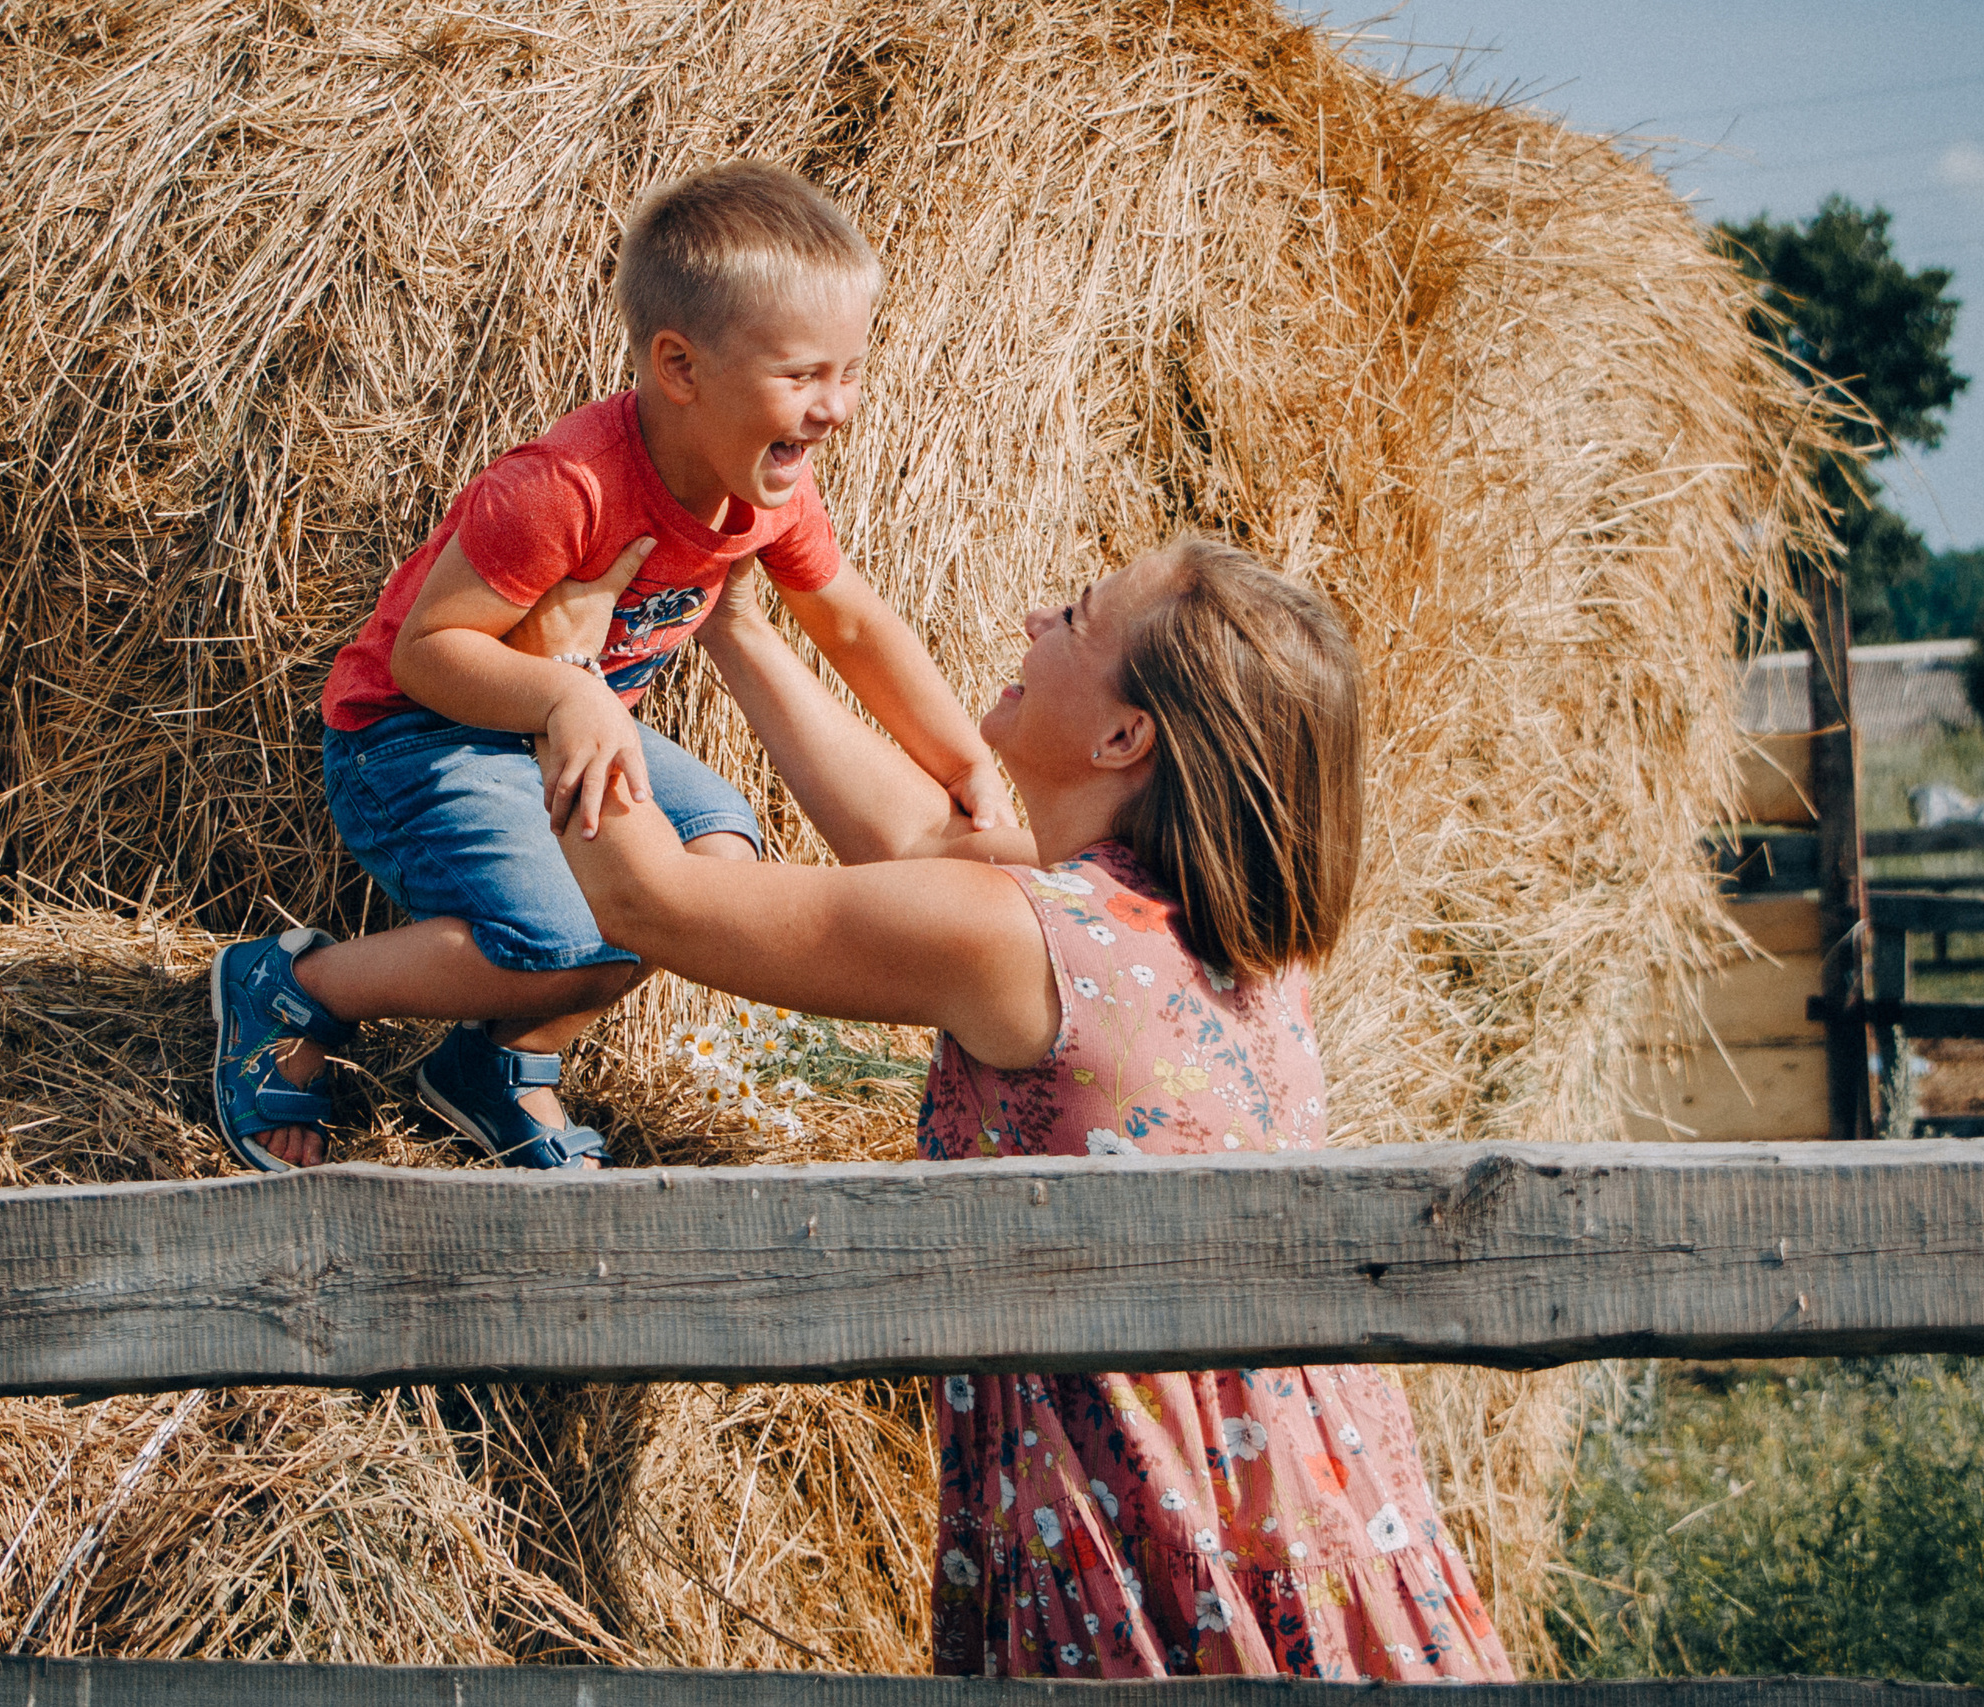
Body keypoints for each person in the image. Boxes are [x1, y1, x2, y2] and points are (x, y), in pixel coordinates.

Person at [549, 535, 1518, 1681]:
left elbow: (646, 899)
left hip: (1154, 1548)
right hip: (1320, 1528)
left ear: (1124, 737)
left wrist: (563, 679)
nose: (1028, 622)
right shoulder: (1224, 940)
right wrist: (731, 622)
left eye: (1074, 617)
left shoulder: (1023, 941)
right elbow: (916, 845)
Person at [208, 161, 1010, 1175]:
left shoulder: (767, 495)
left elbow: (849, 624)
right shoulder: (563, 488)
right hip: (414, 739)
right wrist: (562, 692)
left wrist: (960, 760)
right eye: (803, 375)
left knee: (714, 870)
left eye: (850, 372)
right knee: (561, 940)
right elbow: (428, 652)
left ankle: (499, 1062)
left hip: (560, 723)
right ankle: (304, 989)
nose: (836, 407)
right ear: (679, 367)